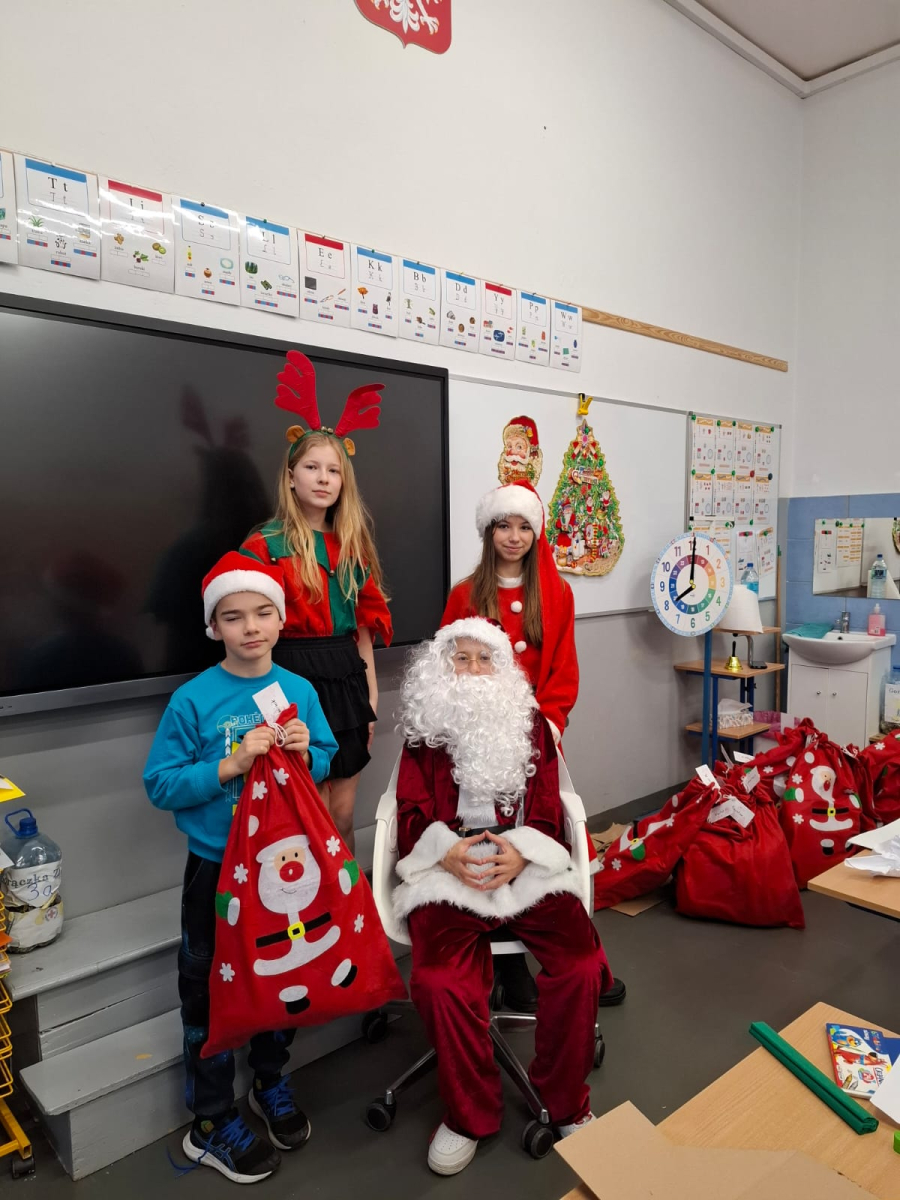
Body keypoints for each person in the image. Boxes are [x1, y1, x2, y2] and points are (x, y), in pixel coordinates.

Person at [144, 552, 339, 1184]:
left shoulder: (299, 691)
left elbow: (327, 755)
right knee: (207, 991)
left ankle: (269, 1082)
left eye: (262, 613)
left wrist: (309, 753)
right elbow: (160, 783)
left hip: (283, 871)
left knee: (281, 977)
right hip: (215, 873)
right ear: (213, 627)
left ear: (281, 620)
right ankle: (209, 1121)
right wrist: (228, 765)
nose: (250, 627)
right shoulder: (193, 700)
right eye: (233, 617)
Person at [394, 618, 612, 1176]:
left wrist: (521, 851)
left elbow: (548, 810)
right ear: (441, 668)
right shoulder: (424, 732)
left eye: (484, 658)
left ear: (504, 668)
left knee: (581, 965)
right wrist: (445, 852)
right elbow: (410, 814)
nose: (472, 670)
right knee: (439, 980)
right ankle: (468, 1115)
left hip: (525, 862)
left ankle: (566, 1101)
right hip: (449, 868)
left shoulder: (531, 725)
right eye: (460, 658)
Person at [440, 480, 626, 1009]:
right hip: (475, 742)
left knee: (550, 844)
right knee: (488, 842)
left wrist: (547, 727)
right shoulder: (463, 593)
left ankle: (584, 960)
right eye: (504, 525)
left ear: (537, 533)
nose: (514, 536)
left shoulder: (557, 593)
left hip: (536, 741)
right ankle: (507, 963)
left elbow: (563, 670)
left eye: (524, 526)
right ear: (489, 530)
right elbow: (447, 667)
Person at [240, 350, 391, 854]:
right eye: (311, 467)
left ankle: (346, 897)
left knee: (342, 813)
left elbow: (364, 629)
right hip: (286, 678)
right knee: (304, 812)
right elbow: (246, 631)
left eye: (334, 470)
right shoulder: (264, 545)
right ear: (290, 476)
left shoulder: (353, 547)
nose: (323, 478)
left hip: (345, 678)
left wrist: (371, 700)